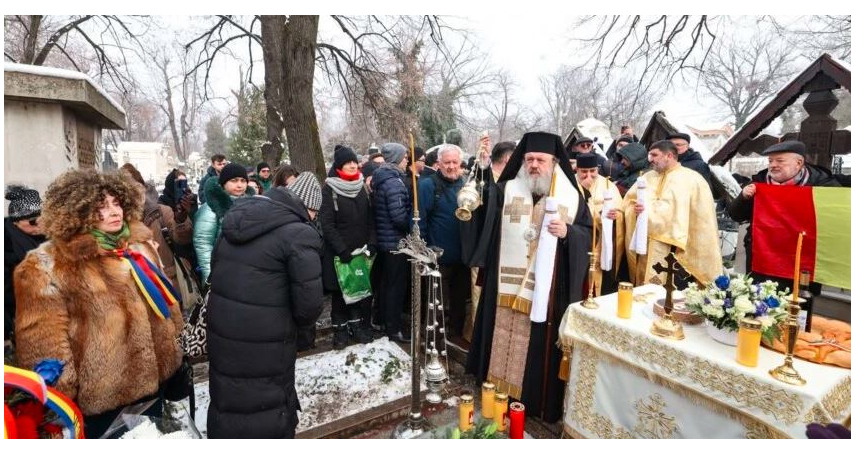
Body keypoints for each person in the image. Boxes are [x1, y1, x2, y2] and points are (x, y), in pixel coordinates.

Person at [14, 170, 184, 438]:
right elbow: (44, 346)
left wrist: (174, 355)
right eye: (101, 207)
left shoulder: (138, 248)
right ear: (75, 211)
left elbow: (167, 311)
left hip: (157, 387)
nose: (113, 212)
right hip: (103, 404)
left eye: (117, 203)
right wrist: (66, 399)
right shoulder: (45, 266)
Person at [464, 131, 593, 423]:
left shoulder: (572, 198)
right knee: (500, 334)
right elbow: (483, 206)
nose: (535, 165)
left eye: (541, 160)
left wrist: (568, 234)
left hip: (545, 292)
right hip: (504, 288)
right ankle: (495, 388)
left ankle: (530, 399)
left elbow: (587, 234)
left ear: (554, 162)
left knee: (536, 346)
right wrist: (483, 169)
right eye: (530, 159)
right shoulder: (507, 189)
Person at [206, 174, 324, 439]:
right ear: (306, 207)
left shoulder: (237, 218)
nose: (314, 218)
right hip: (268, 339)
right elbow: (309, 306)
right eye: (315, 211)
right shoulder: (299, 234)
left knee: (230, 398)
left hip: (225, 331)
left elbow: (216, 272)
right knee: (266, 406)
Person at [727, 140, 839, 291]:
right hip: (762, 258)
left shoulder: (823, 186)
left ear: (799, 163)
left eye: (780, 161)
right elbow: (736, 215)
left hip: (802, 259)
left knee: (799, 305)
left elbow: (834, 221)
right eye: (770, 161)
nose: (773, 165)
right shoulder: (758, 184)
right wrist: (743, 198)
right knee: (761, 304)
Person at [623, 140, 722, 287]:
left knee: (671, 298)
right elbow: (628, 203)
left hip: (677, 251)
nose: (650, 159)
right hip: (646, 247)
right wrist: (634, 211)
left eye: (654, 155)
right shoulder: (646, 178)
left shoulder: (693, 179)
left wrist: (649, 213)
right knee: (644, 295)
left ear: (669, 155)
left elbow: (703, 219)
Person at [320, 146, 377, 349]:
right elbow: (326, 224)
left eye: (354, 162)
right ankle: (340, 330)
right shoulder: (329, 189)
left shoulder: (362, 187)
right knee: (340, 295)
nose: (353, 165)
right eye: (347, 163)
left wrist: (371, 243)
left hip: (361, 252)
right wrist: (341, 250)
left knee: (358, 291)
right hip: (339, 254)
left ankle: (357, 326)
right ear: (339, 166)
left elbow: (372, 220)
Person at [417, 144, 469, 338]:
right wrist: (424, 251)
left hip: (462, 255)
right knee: (435, 300)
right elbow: (419, 220)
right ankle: (433, 337)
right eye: (447, 162)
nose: (451, 166)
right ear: (438, 164)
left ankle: (456, 333)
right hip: (437, 256)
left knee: (459, 300)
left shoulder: (466, 185)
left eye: (455, 162)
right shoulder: (427, 186)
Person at [371, 142, 412, 343]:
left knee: (386, 284)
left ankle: (381, 320)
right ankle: (394, 329)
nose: (407, 160)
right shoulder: (394, 183)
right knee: (395, 287)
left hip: (385, 241)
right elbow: (398, 217)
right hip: (395, 243)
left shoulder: (382, 178)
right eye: (405, 157)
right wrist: (413, 222)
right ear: (396, 158)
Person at [575, 154, 627, 295]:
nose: (589, 175)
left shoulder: (607, 185)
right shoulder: (570, 184)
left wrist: (616, 216)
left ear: (597, 169)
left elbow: (620, 211)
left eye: (592, 171)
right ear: (577, 170)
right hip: (579, 239)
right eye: (584, 172)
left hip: (601, 242)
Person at [194, 163, 253, 284]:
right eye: (234, 180)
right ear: (223, 183)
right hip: (221, 271)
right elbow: (203, 244)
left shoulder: (252, 204)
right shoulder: (211, 208)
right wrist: (210, 277)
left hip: (247, 271)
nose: (239, 185)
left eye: (243, 181)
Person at [4, 185, 46, 355]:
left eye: (42, 218)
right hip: (18, 317)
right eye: (33, 221)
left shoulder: (43, 236)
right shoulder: (6, 242)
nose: (39, 224)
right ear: (16, 222)